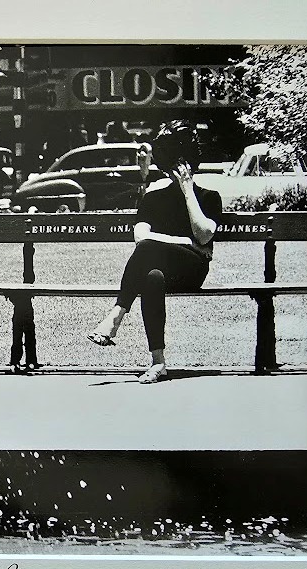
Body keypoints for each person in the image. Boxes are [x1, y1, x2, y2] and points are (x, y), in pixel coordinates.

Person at [87, 120, 222, 384]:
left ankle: (116, 315)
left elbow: (204, 233)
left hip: (191, 272)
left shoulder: (208, 196)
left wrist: (188, 192)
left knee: (150, 249)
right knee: (152, 277)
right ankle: (158, 362)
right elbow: (141, 237)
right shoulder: (153, 196)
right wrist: (188, 243)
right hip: (165, 269)